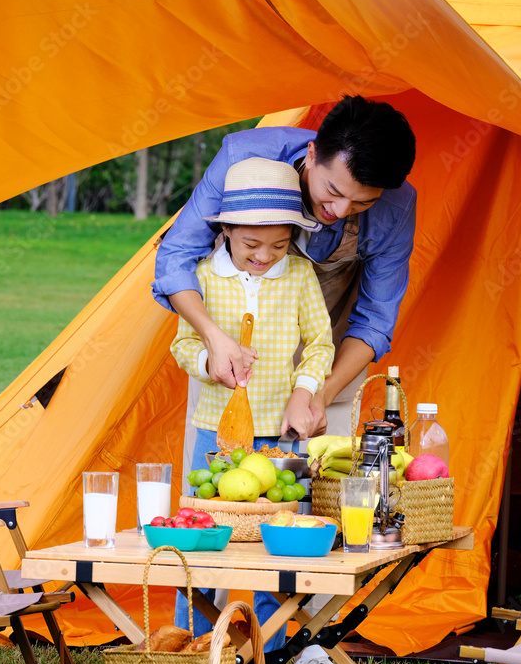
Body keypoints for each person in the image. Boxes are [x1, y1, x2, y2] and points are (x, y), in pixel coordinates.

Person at [153, 95, 417, 441]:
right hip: (228, 352)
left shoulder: (397, 207)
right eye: (333, 191)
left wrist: (318, 394)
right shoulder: (242, 157)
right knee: (215, 481)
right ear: (311, 154)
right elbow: (177, 255)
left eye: (362, 202)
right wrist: (213, 339)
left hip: (326, 351)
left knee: (318, 482)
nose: (340, 210)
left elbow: (375, 321)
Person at [171, 157, 335, 654]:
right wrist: (209, 363)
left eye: (279, 245)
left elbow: (321, 345)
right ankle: (189, 650)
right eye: (250, 245)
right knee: (196, 549)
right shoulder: (202, 276)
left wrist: (303, 393)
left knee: (275, 555)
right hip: (214, 436)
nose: (264, 256)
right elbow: (182, 347)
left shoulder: (301, 277)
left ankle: (270, 654)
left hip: (277, 441)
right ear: (224, 231)